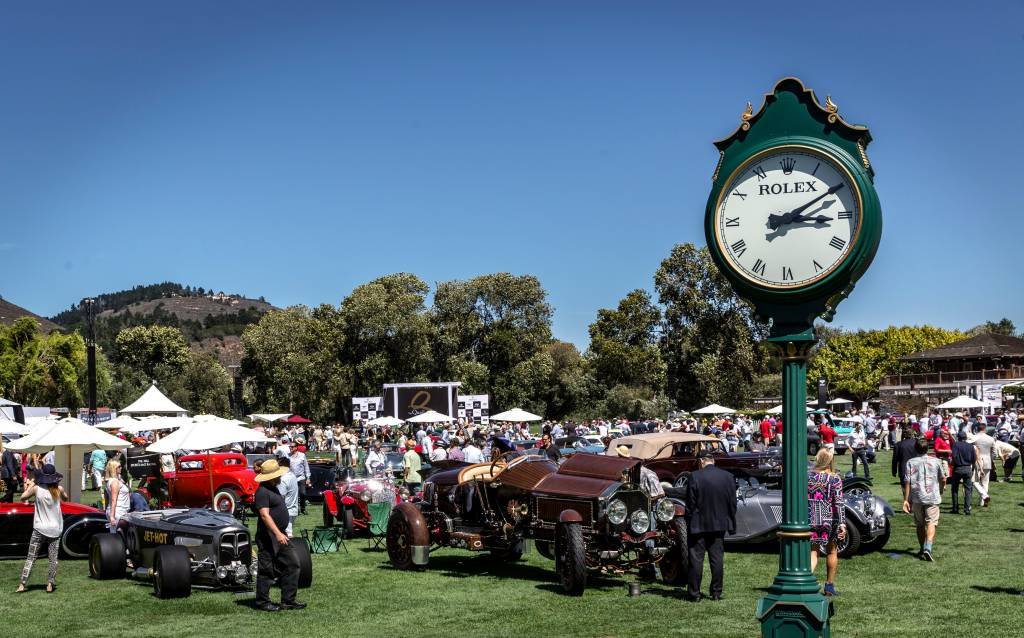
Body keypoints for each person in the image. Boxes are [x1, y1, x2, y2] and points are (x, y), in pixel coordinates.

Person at [252, 459, 304, 612]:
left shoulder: (273, 488)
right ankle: (263, 602)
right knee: (266, 570)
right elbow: (264, 516)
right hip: (268, 537)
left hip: (280, 534)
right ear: (271, 477)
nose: (280, 477)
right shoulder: (262, 492)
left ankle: (288, 600)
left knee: (293, 564)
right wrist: (277, 534)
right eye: (277, 475)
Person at [684, 450, 737, 602]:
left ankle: (694, 593)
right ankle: (716, 592)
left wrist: (689, 519)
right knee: (717, 559)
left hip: (698, 524)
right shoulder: (727, 477)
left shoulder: (695, 476)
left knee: (696, 560)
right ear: (713, 461)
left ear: (701, 461)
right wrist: (730, 520)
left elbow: (690, 503)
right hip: (719, 524)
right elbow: (732, 503)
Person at [15, 464, 68, 593]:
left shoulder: (37, 489)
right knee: (53, 559)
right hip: (55, 529)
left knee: (31, 557)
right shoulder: (59, 489)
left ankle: (22, 584)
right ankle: (50, 584)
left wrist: (33, 483)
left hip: (39, 528)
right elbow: (65, 499)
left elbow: (22, 497)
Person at [807, 449, 846, 596]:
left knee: (813, 552)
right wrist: (842, 523)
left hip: (811, 517)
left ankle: (804, 581)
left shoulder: (807, 476)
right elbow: (839, 503)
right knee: (832, 551)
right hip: (830, 519)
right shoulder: (834, 479)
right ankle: (829, 587)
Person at [903, 438, 945, 561]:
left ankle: (922, 547)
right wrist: (941, 489)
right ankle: (928, 546)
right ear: (928, 448)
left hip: (917, 497)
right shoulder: (936, 461)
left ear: (915, 448)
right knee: (931, 522)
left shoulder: (910, 462)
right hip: (933, 496)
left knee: (920, 524)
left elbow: (907, 481)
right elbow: (943, 478)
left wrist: (906, 499)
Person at [949, 430, 976, 515]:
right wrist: (972, 468)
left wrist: (953, 463)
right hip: (967, 467)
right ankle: (967, 508)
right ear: (966, 437)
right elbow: (974, 458)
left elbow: (954, 456)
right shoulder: (970, 446)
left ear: (958, 437)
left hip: (958, 468)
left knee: (954, 489)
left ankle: (955, 508)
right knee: (968, 489)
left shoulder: (956, 445)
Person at [969, 427, 995, 507]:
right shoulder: (991, 438)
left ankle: (984, 496)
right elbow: (994, 452)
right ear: (985, 429)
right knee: (985, 482)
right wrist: (991, 459)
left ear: (977, 429)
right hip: (987, 460)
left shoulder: (974, 437)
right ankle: (982, 502)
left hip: (977, 460)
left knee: (974, 481)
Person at [276, 457, 299, 537]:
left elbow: (280, 496)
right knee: (288, 532)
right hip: (293, 509)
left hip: (286, 510)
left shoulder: (283, 479)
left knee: (287, 534)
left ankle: (291, 549)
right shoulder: (292, 475)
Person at [104, 459, 129, 532]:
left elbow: (107, 498)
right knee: (117, 535)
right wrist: (112, 517)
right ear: (114, 468)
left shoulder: (114, 480)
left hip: (118, 510)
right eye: (119, 466)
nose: (121, 468)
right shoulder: (114, 482)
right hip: (118, 511)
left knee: (116, 534)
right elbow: (113, 499)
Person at [288, 446, 310, 515]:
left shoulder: (302, 455)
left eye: (292, 447)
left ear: (296, 447)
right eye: (290, 447)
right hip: (292, 478)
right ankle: (297, 509)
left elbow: (306, 466)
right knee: (294, 495)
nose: (290, 448)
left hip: (301, 477)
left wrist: (308, 477)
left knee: (303, 493)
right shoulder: (288, 456)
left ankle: (303, 508)